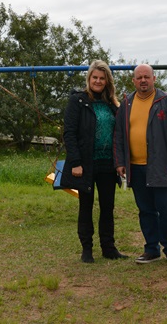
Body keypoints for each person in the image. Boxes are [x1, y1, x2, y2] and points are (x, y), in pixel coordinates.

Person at [114, 64, 167, 264]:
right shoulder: (126, 104)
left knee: (166, 209)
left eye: (147, 77)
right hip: (135, 167)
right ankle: (151, 249)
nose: (143, 80)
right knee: (145, 210)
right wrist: (120, 162)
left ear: (154, 78)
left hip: (162, 167)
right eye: (139, 77)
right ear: (133, 81)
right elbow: (118, 135)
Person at [61, 60, 128, 263]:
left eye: (102, 78)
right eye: (94, 77)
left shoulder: (112, 105)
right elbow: (69, 133)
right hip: (86, 164)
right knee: (86, 206)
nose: (98, 81)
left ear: (107, 81)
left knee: (108, 207)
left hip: (108, 164)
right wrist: (76, 163)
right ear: (89, 79)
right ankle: (87, 249)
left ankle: (108, 248)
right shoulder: (78, 101)